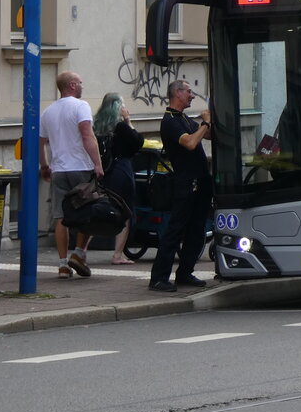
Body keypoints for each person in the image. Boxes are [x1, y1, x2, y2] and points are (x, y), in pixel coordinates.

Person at [39, 71, 104, 279]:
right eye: (81, 82)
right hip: (80, 167)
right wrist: (97, 163)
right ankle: (79, 253)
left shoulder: (47, 112)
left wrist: (45, 166)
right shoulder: (81, 106)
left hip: (59, 170)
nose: (83, 85)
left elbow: (40, 143)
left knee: (61, 216)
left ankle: (62, 264)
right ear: (73, 85)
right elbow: (87, 134)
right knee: (88, 212)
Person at [149, 80, 213, 292]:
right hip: (186, 184)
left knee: (197, 230)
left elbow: (207, 135)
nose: (192, 96)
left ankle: (185, 272)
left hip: (200, 182)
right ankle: (158, 277)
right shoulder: (170, 121)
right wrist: (205, 123)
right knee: (175, 230)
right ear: (177, 93)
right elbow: (190, 143)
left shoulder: (184, 118)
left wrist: (212, 122)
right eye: (189, 91)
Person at [94, 92, 144, 264]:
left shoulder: (96, 125)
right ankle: (117, 254)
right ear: (118, 107)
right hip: (121, 170)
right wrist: (129, 121)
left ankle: (82, 251)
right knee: (125, 210)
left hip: (103, 171)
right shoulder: (120, 127)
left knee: (100, 208)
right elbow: (138, 142)